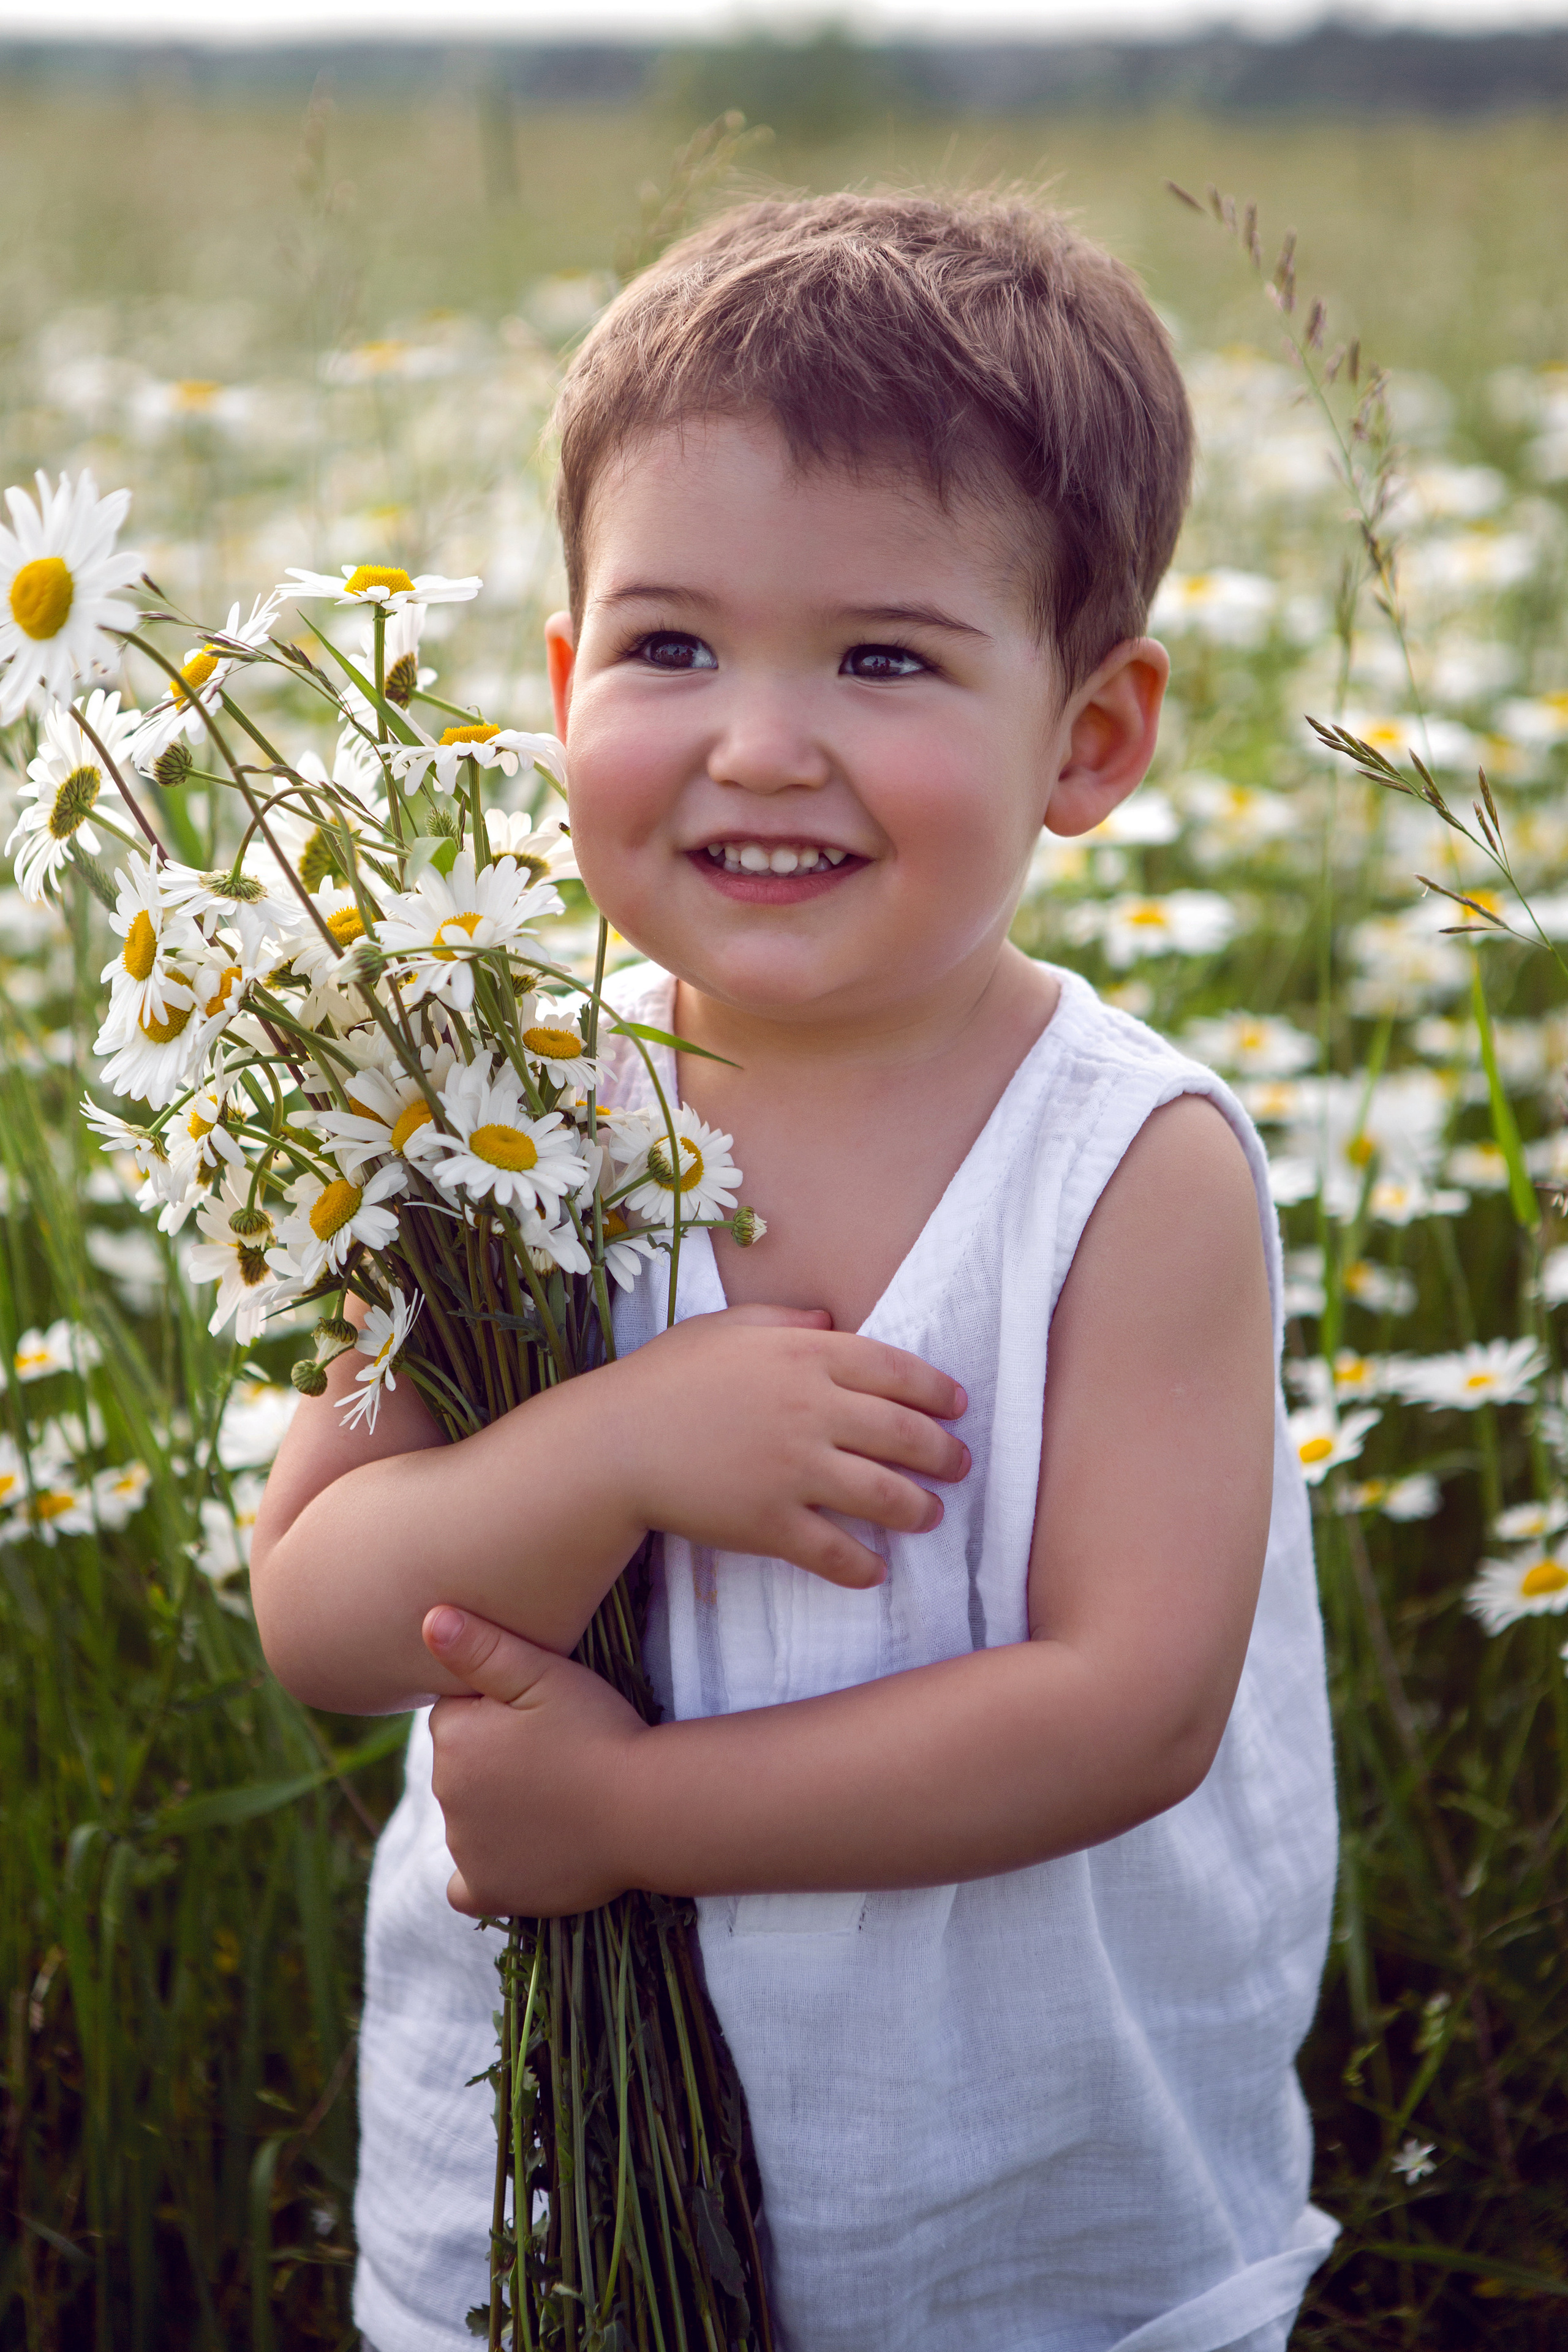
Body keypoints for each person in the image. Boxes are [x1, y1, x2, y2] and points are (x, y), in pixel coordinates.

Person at [251, 192, 1339, 2352]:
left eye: (883, 657)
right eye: (671, 646)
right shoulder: (484, 1125)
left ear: (1092, 738)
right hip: (547, 2220)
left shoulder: (1128, 1173)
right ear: (563, 689)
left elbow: (1127, 1711)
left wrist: (632, 1814)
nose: (759, 741)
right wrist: (620, 1446)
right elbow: (319, 1611)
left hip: (1025, 2217)